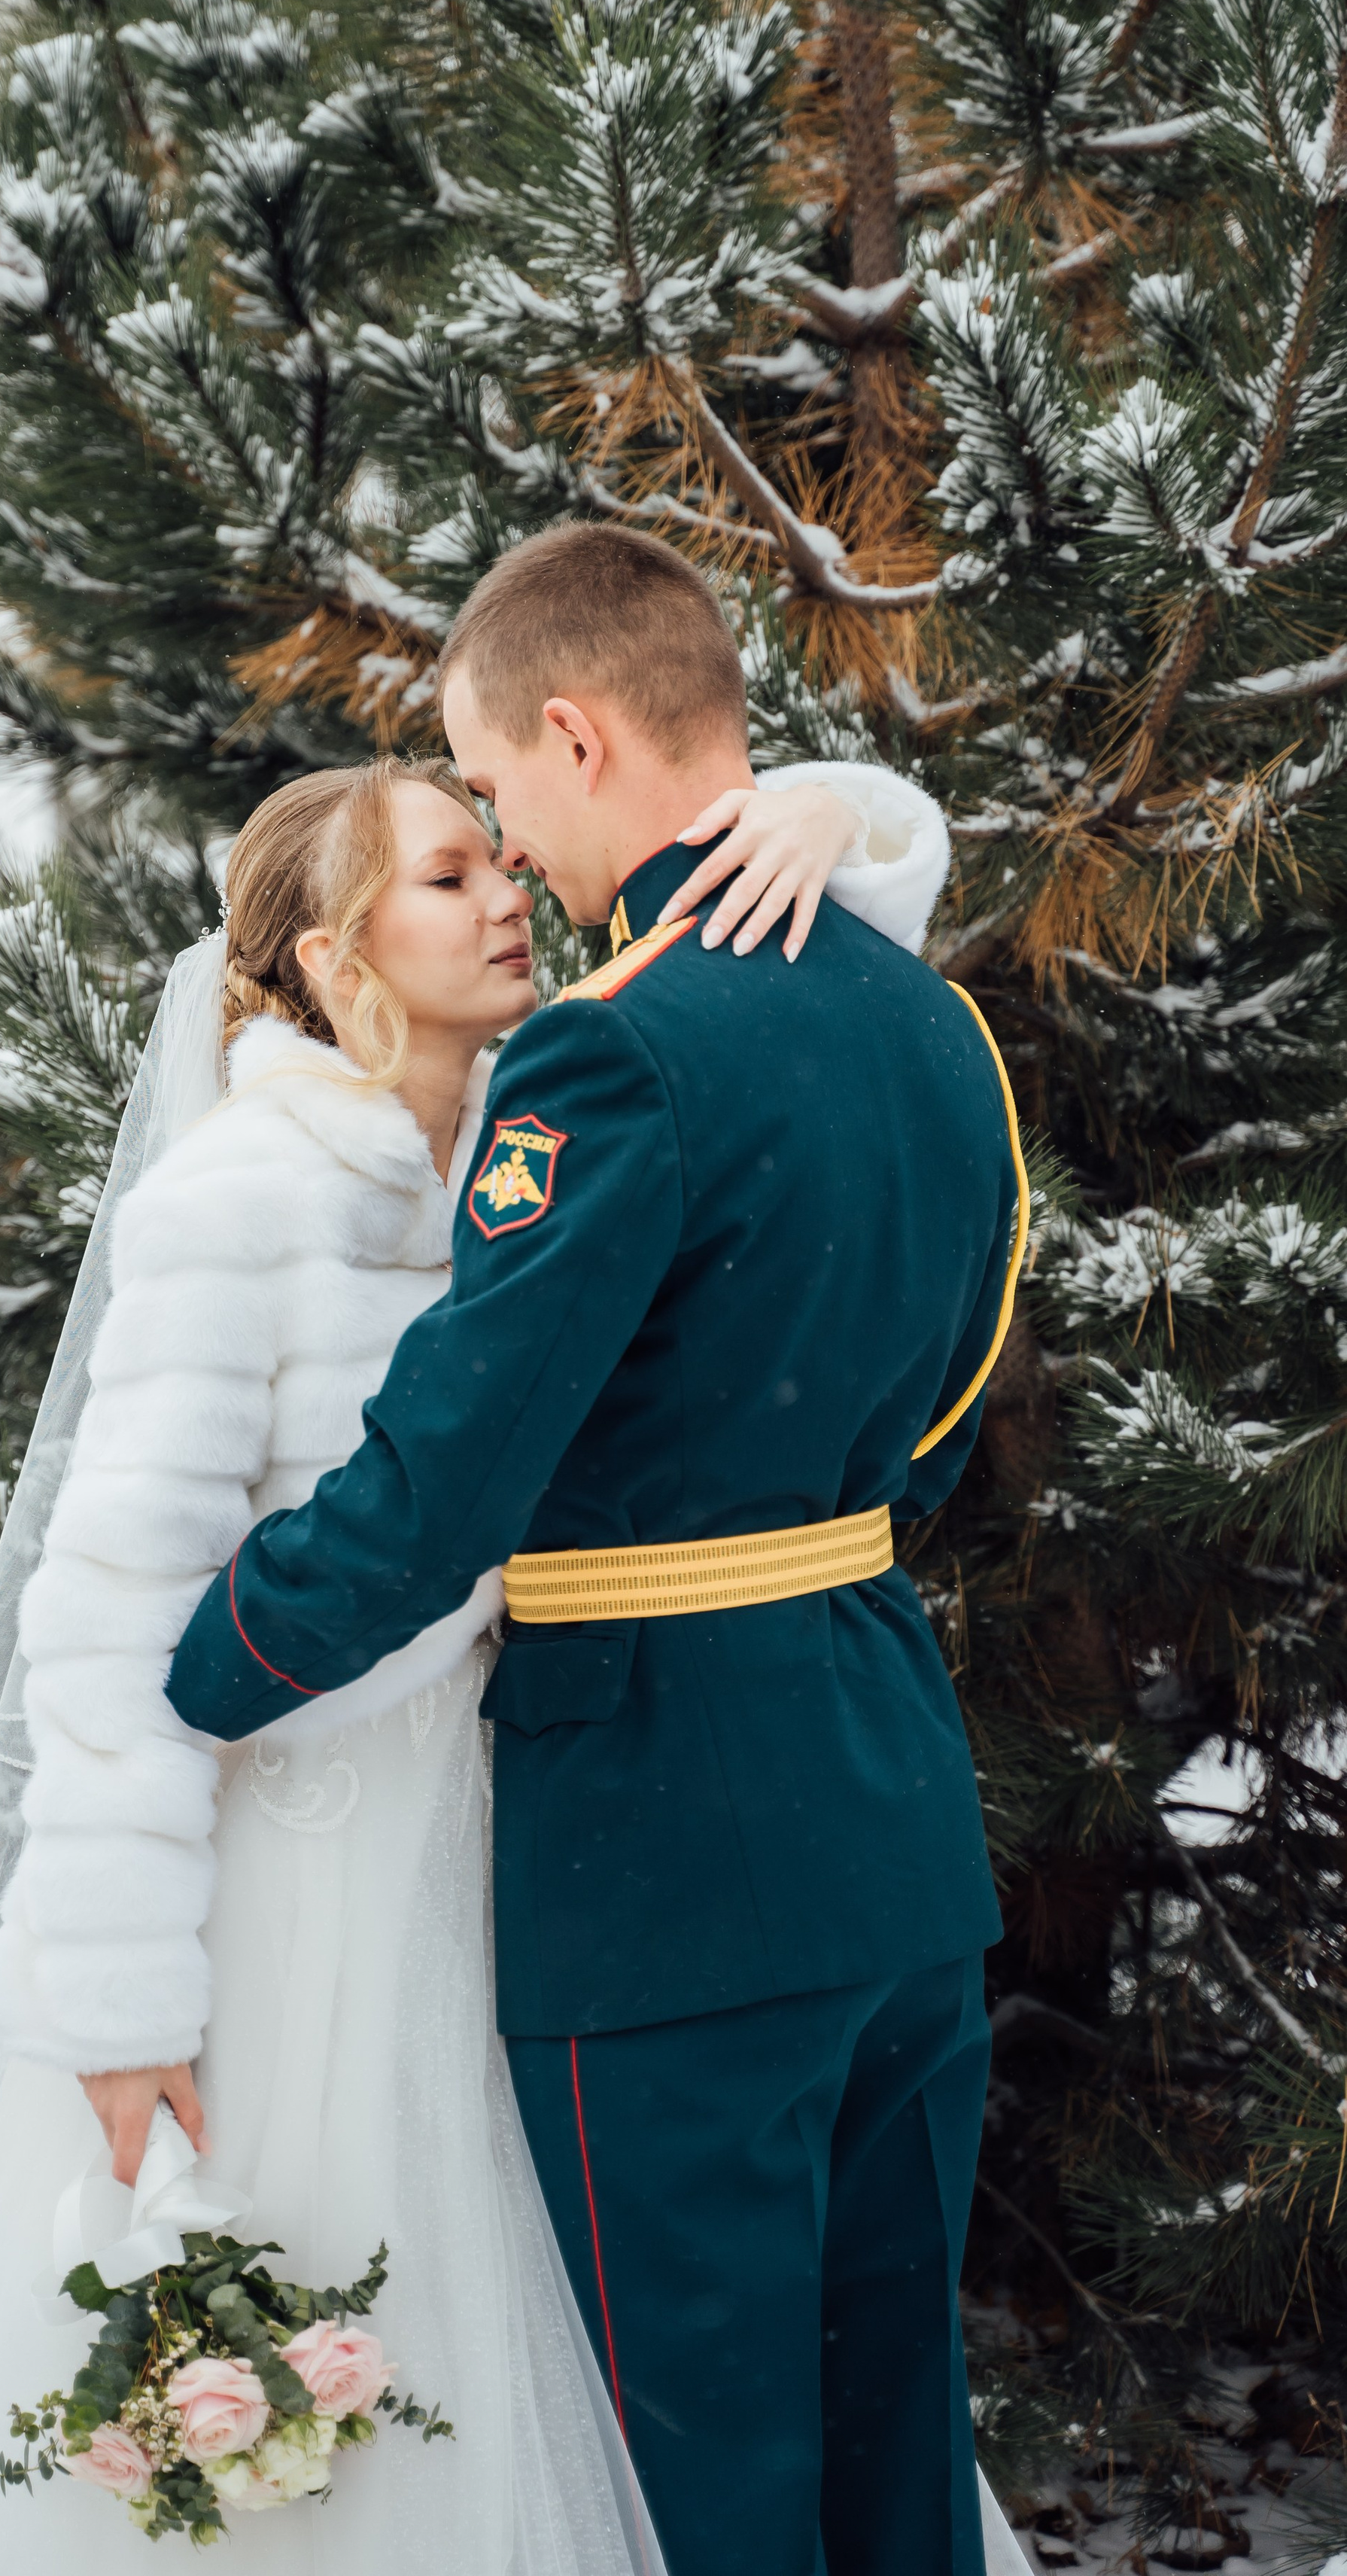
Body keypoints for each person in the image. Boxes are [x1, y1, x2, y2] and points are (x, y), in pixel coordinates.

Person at [0, 712, 948, 2574]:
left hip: (522, 1837)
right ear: (326, 956)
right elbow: (111, 1626)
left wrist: (828, 813)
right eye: (443, 878)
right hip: (296, 1875)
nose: (504, 894)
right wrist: (115, 1999)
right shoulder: (240, 1203)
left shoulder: (560, 1119)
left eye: (495, 852)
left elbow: (800, 985)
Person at [162, 523, 1032, 2576]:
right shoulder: (931, 1028)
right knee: (896, 2446)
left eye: (493, 785)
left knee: (702, 2481)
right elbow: (939, 1419)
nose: (508, 847)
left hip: (665, 1851)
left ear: (570, 732)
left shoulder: (608, 1050)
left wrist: (207, 1670)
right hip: (891, 1815)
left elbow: (452, 1469)